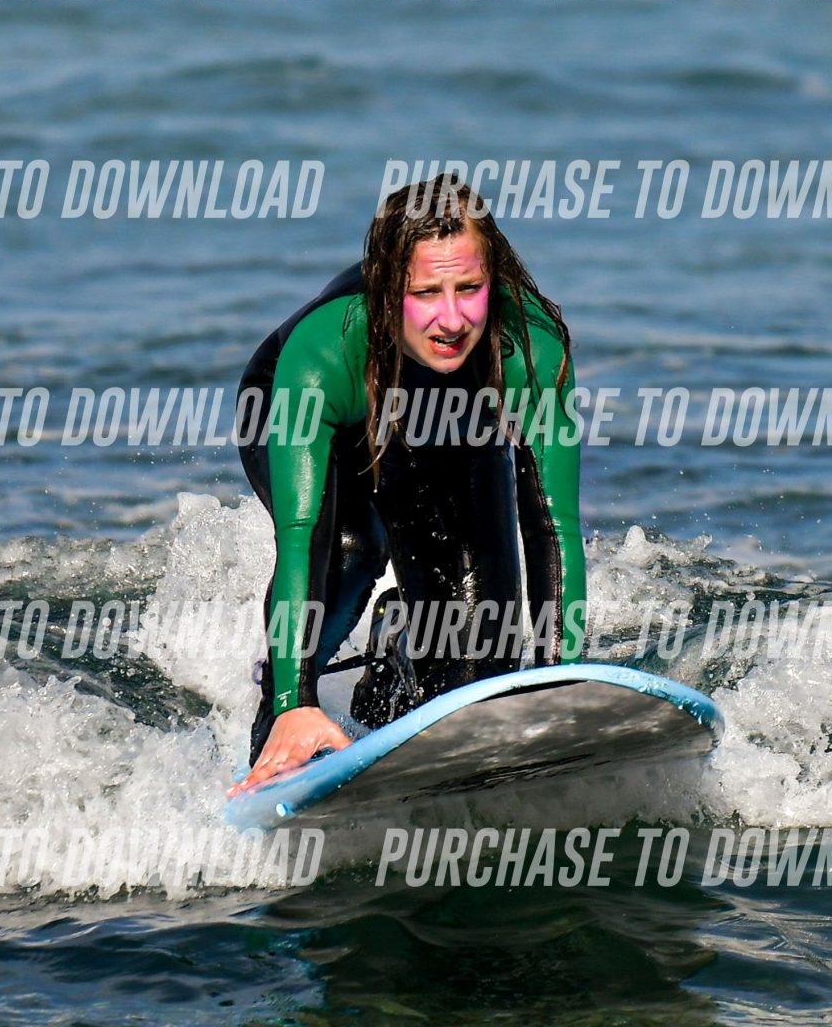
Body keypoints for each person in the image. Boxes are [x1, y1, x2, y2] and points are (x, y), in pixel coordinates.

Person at [229, 174, 585, 794]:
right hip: (323, 412)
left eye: (469, 288)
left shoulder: (530, 349)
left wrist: (563, 679)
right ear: (389, 291)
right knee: (351, 551)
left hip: (454, 424)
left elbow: (552, 529)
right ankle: (280, 722)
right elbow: (302, 537)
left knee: (479, 668)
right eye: (425, 293)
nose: (452, 319)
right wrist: (293, 701)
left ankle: (398, 647)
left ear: (494, 279)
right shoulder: (322, 354)